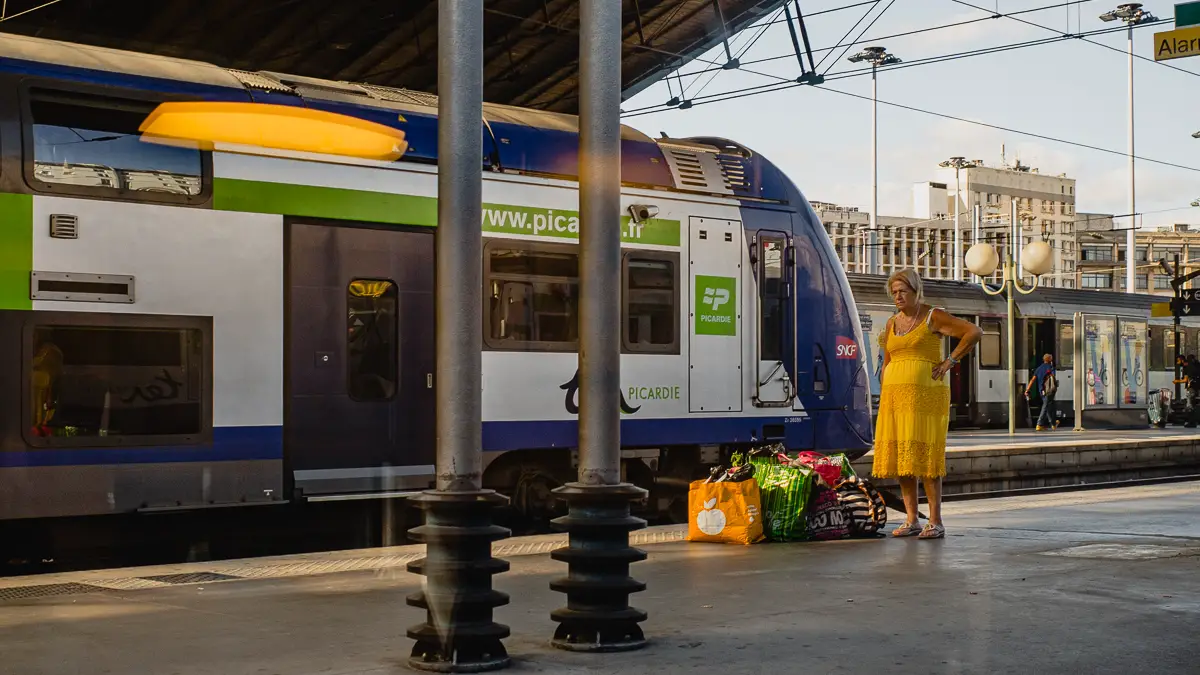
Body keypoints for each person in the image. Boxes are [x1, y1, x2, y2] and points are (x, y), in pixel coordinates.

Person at [873, 269, 983, 540]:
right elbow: (888, 361)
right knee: (903, 458)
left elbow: (973, 332)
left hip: (926, 397)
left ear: (915, 291)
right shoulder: (891, 323)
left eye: (902, 291)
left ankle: (935, 521)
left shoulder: (933, 316)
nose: (897, 296)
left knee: (926, 458)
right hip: (895, 398)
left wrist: (950, 361)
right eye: (894, 292)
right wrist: (884, 392)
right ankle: (911, 519)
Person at [1024, 354, 1058, 431]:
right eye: (1051, 358)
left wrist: (1027, 389)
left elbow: (1032, 380)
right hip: (1048, 390)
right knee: (1046, 406)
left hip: (1041, 391)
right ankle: (1039, 424)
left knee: (1047, 405)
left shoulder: (1039, 368)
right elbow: (1053, 377)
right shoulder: (1050, 367)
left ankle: (1053, 424)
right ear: (1049, 360)